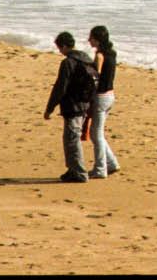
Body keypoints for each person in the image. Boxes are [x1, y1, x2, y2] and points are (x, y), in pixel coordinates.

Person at [43, 31, 94, 183]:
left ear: (64, 46)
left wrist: (50, 108)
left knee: (72, 139)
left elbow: (60, 87)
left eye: (59, 48)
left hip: (73, 106)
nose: (60, 51)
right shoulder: (86, 59)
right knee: (71, 138)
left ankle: (79, 172)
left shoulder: (68, 63)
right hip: (85, 104)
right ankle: (72, 170)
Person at [86, 25, 121, 179]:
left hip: (101, 97)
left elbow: (96, 75)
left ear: (97, 40)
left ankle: (101, 168)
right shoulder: (112, 53)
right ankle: (111, 163)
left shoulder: (100, 55)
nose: (89, 40)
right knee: (96, 133)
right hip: (110, 96)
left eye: (91, 38)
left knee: (97, 134)